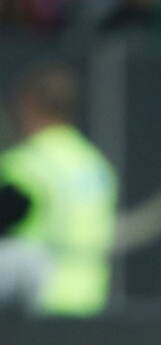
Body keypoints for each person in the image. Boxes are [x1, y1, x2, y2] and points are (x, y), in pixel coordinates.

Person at [0, 63, 118, 317]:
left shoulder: (27, 163)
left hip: (39, 297)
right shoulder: (95, 164)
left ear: (29, 105)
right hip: (90, 299)